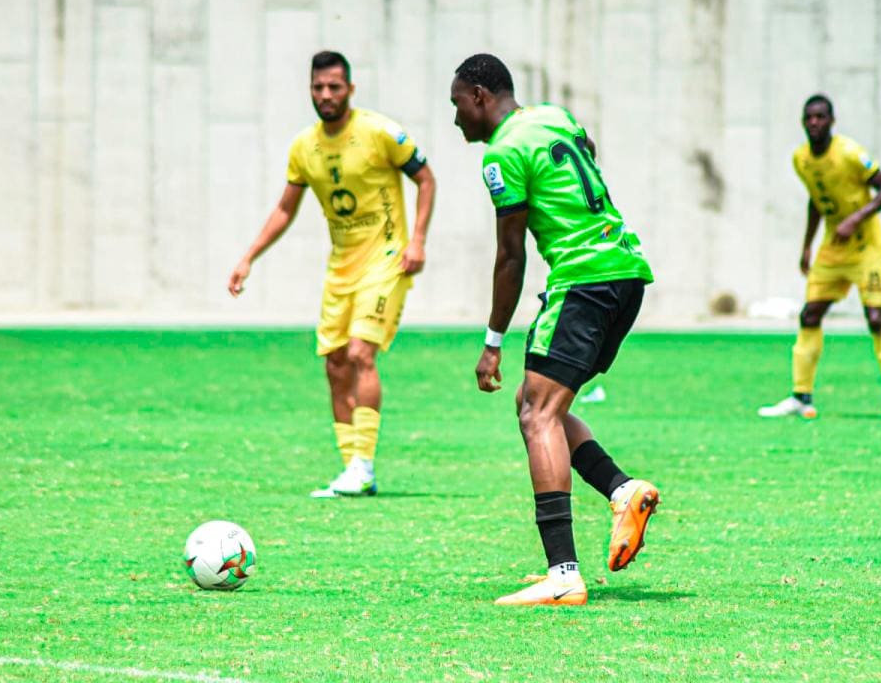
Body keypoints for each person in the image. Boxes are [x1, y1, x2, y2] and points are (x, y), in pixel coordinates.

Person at [450, 53, 659, 606]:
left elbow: (510, 254)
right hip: (626, 274)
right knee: (540, 399)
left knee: (535, 413)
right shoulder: (555, 117)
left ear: (478, 95)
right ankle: (621, 490)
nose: (455, 121)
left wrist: (492, 342)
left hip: (583, 280)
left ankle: (563, 573)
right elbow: (584, 152)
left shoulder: (500, 153)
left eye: (456, 106)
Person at [229, 51, 436, 497]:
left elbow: (426, 179)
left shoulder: (380, 132)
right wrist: (249, 257)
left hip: (387, 259)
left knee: (362, 352)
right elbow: (286, 209)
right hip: (341, 267)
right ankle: (353, 471)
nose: (326, 95)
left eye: (334, 87)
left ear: (350, 90)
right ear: (310, 89)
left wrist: (416, 239)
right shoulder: (304, 147)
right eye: (318, 87)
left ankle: (364, 463)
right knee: (336, 364)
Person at [758, 94, 881, 422]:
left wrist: (856, 218)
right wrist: (807, 245)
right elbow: (816, 200)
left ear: (832, 121)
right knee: (810, 314)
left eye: (821, 117)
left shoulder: (851, 154)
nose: (814, 123)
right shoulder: (801, 159)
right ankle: (801, 396)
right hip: (832, 247)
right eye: (809, 117)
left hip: (865, 246)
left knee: (876, 318)